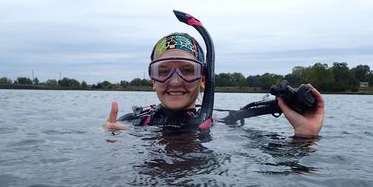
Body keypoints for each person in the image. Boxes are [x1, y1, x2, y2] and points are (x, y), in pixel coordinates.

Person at [103, 32, 324, 137]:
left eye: (188, 70)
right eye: (163, 71)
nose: (175, 80)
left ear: (203, 81)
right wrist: (108, 138)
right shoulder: (132, 123)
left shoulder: (222, 129)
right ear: (153, 81)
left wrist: (305, 135)